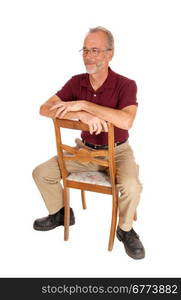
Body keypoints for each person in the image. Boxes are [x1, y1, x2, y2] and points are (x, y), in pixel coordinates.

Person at [32, 26, 145, 259]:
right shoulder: (76, 82)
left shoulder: (126, 84)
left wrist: (85, 105)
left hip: (118, 152)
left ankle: (125, 230)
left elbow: (126, 120)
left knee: (132, 186)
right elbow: (45, 108)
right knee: (42, 172)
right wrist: (79, 115)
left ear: (110, 54)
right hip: (84, 152)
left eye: (95, 50)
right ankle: (61, 213)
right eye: (85, 50)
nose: (88, 56)